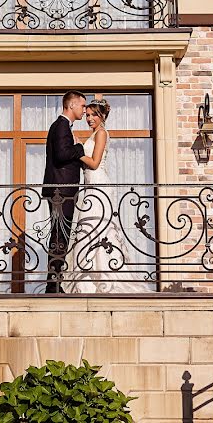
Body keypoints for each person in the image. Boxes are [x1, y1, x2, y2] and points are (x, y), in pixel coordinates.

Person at [64, 98, 150, 294]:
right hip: (89, 185)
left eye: (94, 115)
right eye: (87, 115)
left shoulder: (101, 133)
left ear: (102, 116)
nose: (90, 119)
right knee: (88, 228)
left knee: (97, 227)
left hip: (98, 184)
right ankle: (88, 280)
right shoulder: (93, 134)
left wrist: (76, 151)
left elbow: (94, 163)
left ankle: (104, 278)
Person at [41, 90, 86, 293]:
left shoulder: (63, 126)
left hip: (63, 190)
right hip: (60, 191)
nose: (84, 111)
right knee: (59, 235)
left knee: (61, 235)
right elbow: (61, 155)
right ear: (71, 105)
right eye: (82, 106)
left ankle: (55, 281)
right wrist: (79, 148)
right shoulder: (61, 126)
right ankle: (53, 285)